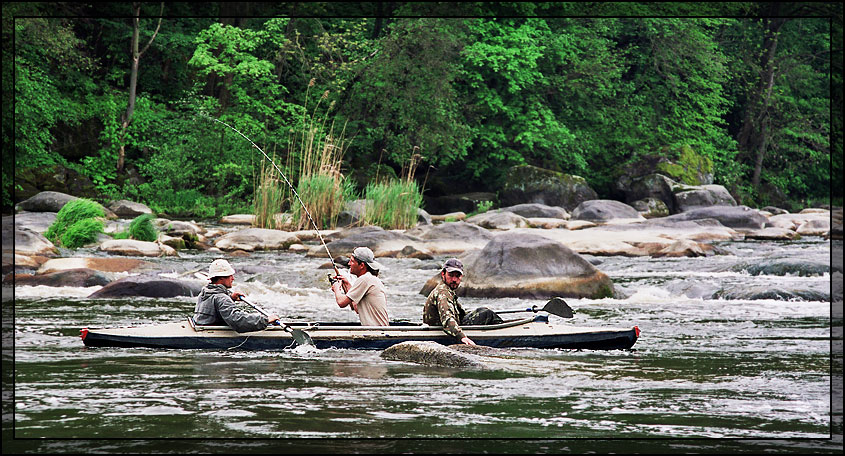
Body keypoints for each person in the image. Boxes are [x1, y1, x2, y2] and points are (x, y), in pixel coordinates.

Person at [423, 258, 503, 345]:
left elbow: (459, 314)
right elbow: (447, 319)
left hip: (456, 323)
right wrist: (462, 337)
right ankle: (503, 330)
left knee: (484, 312)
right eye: (451, 275)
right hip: (440, 330)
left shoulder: (448, 290)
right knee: (487, 313)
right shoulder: (443, 292)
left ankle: (502, 327)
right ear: (443, 274)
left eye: (457, 276)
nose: (454, 279)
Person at [193, 259, 279, 333]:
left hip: (201, 326)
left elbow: (215, 306)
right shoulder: (222, 298)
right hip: (210, 332)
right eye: (230, 276)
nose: (233, 278)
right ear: (221, 278)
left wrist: (231, 298)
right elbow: (238, 321)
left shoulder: (205, 292)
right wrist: (265, 320)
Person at [330, 247, 390, 326]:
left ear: (361, 265)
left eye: (352, 261)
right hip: (378, 331)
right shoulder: (370, 278)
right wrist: (347, 284)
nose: (349, 264)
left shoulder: (365, 279)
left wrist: (336, 288)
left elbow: (341, 303)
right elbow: (356, 308)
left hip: (376, 333)